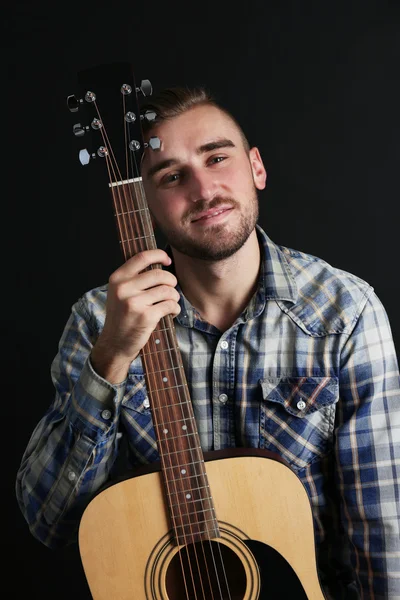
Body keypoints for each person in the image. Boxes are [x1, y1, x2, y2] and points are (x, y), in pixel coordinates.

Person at [16, 86, 400, 599]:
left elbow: (382, 532)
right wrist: (109, 359)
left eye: (217, 158)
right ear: (143, 201)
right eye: (171, 176)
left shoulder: (345, 313)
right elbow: (49, 521)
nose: (202, 189)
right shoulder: (98, 320)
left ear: (256, 168)